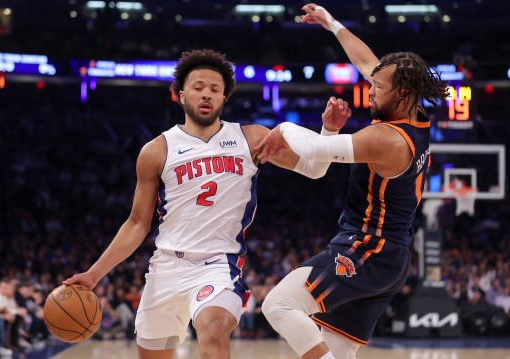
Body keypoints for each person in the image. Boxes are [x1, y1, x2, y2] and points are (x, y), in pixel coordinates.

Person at [63, 49, 351, 359]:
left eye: (215, 89)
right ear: (180, 94)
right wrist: (94, 274)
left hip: (218, 266)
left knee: (213, 330)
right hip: (165, 267)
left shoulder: (250, 138)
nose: (206, 94)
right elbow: (137, 224)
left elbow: (314, 169)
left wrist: (329, 131)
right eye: (198, 87)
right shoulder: (156, 150)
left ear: (224, 97)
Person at [257, 3, 449, 359]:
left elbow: (314, 150)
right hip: (391, 257)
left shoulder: (389, 140)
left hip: (368, 248)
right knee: (335, 351)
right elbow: (366, 62)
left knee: (279, 305)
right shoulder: (414, 112)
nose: (370, 89)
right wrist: (331, 22)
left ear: (403, 93)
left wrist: (282, 128)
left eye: (377, 86)